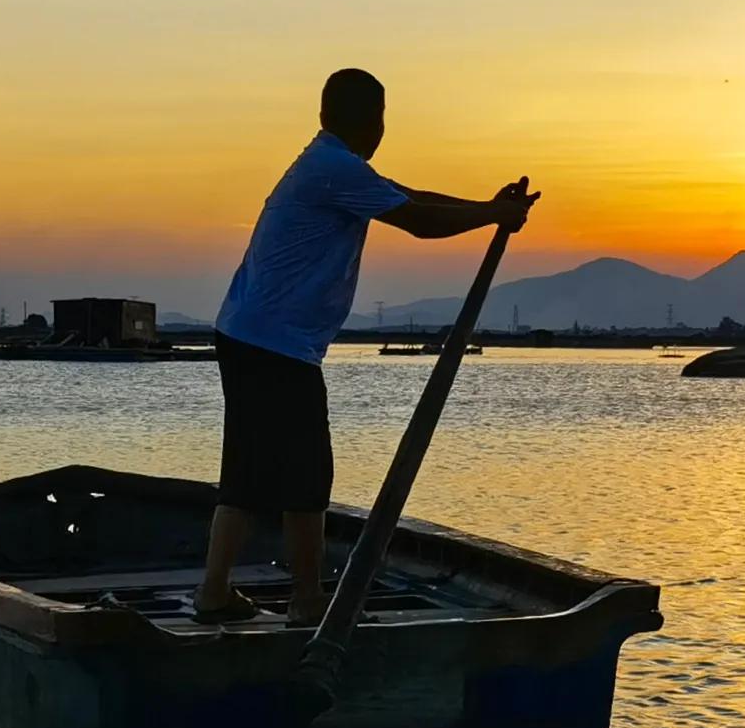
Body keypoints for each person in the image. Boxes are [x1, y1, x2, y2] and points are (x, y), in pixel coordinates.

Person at [191, 67, 535, 622]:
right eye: (380, 118)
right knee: (305, 479)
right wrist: (493, 215)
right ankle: (305, 601)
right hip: (274, 345)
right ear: (367, 120)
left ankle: (217, 593)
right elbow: (419, 220)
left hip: (252, 336)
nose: (381, 130)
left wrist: (486, 207)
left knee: (252, 475)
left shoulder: (333, 166)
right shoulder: (333, 169)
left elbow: (412, 197)